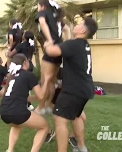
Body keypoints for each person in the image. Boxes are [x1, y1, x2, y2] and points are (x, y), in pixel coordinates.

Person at [44, 17, 98, 152]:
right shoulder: (83, 45)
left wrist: (48, 43)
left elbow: (52, 51)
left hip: (73, 90)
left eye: (79, 24)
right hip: (85, 89)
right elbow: (67, 46)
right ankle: (81, 147)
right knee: (75, 116)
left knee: (60, 120)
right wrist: (67, 31)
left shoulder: (74, 45)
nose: (76, 25)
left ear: (83, 30)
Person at [0, 54, 54, 152]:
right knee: (44, 127)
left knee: (16, 125)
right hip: (17, 111)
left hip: (3, 111)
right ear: (24, 62)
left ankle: (10, 150)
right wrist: (47, 80)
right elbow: (41, 96)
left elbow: (24, 97)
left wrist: (35, 98)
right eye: (28, 60)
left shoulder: (12, 76)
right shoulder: (29, 75)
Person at [35, 0, 70, 115]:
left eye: (38, 6)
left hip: (51, 49)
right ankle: (48, 106)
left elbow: (43, 23)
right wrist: (66, 43)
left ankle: (40, 108)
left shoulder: (42, 13)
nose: (37, 8)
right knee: (51, 80)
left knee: (45, 80)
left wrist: (49, 40)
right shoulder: (57, 17)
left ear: (43, 6)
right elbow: (67, 29)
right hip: (60, 50)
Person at [8, 31, 36, 111]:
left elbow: (10, 54)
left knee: (17, 84)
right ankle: (29, 104)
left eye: (23, 34)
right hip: (29, 65)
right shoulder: (32, 45)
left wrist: (9, 50)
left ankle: (21, 103)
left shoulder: (21, 45)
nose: (22, 35)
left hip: (21, 66)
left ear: (25, 37)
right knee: (27, 86)